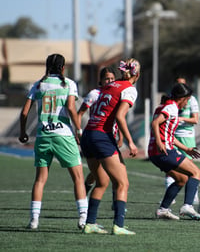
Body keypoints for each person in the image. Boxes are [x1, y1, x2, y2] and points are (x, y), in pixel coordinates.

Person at [18, 53, 88, 230]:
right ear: (63, 68)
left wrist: (23, 132)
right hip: (63, 135)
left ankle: (34, 220)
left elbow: (25, 112)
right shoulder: (69, 84)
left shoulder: (39, 84)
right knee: (78, 177)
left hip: (43, 135)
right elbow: (71, 109)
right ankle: (83, 217)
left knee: (40, 179)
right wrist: (79, 130)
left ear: (47, 66)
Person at [80, 58, 140, 235]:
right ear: (137, 74)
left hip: (88, 134)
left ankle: (90, 224)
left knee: (102, 182)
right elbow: (120, 117)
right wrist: (131, 141)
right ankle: (119, 225)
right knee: (122, 183)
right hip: (101, 136)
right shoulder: (129, 89)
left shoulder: (108, 86)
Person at [148, 83, 200, 220]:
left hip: (155, 153)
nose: (187, 103)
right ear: (183, 98)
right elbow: (155, 123)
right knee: (196, 173)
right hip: (164, 151)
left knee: (181, 179)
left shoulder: (163, 106)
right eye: (188, 99)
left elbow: (168, 135)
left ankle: (163, 209)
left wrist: (186, 149)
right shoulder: (171, 107)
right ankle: (188, 206)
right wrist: (159, 142)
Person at [77, 67, 122, 196]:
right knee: (102, 171)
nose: (110, 81)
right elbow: (80, 113)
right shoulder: (95, 93)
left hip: (110, 136)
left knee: (109, 171)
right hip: (98, 136)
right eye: (107, 78)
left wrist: (121, 137)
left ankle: (116, 201)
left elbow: (119, 118)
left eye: (112, 79)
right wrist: (78, 130)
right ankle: (86, 192)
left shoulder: (117, 93)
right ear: (101, 80)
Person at [163, 76, 200, 204]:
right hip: (172, 135)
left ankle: (193, 196)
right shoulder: (170, 101)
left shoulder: (192, 100)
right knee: (170, 167)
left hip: (186, 136)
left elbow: (195, 119)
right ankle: (170, 196)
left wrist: (181, 120)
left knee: (190, 168)